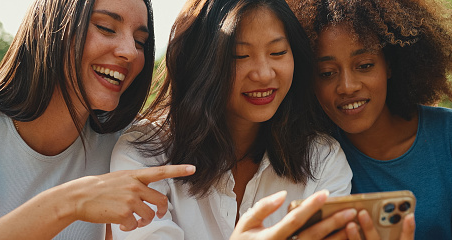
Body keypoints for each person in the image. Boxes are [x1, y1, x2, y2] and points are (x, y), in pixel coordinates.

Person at [109, 0, 354, 239]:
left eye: (277, 52)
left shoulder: (321, 159)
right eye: (240, 55)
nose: (264, 74)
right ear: (202, 62)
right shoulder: (145, 154)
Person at [0, 0, 196, 239]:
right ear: (50, 28)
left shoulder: (128, 148)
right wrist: (69, 203)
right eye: (106, 27)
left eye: (140, 42)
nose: (129, 52)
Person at [287, 0, 452, 239]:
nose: (347, 87)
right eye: (327, 73)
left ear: (389, 65)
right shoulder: (315, 154)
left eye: (364, 65)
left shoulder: (451, 134)